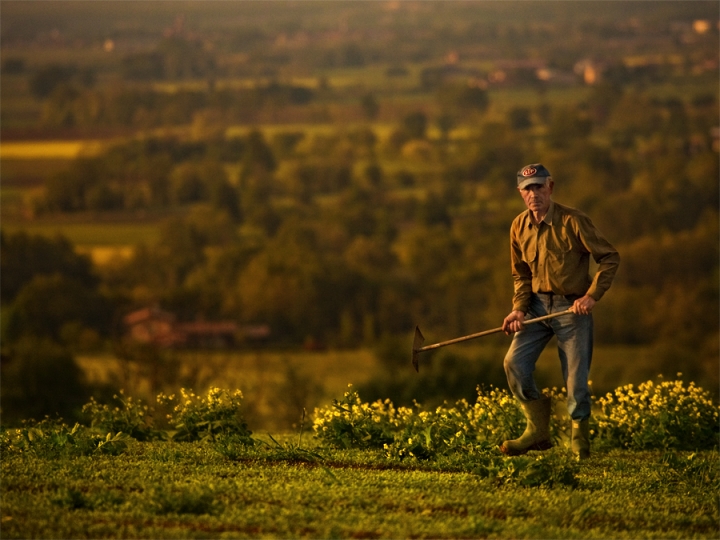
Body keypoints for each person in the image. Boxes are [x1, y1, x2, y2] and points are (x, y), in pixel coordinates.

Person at [499, 163, 620, 460]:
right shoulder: (517, 226)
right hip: (537, 308)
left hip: (572, 308)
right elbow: (521, 276)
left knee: (575, 381)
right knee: (514, 363)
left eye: (539, 187)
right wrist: (518, 310)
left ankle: (579, 442)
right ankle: (537, 431)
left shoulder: (573, 220)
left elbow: (609, 258)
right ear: (520, 193)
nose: (534, 194)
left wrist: (591, 296)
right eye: (527, 189)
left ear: (550, 187)